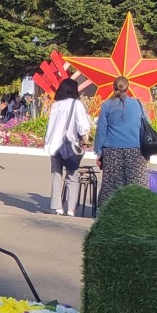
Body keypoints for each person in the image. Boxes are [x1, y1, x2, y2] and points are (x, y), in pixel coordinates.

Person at [93, 78, 148, 207]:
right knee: (136, 184)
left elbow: (101, 130)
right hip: (135, 149)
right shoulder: (138, 104)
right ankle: (136, 211)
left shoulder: (107, 105)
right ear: (128, 88)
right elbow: (146, 125)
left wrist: (99, 152)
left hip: (112, 150)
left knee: (111, 186)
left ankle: (109, 211)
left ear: (113, 87)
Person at [41, 81, 92, 215]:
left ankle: (57, 206)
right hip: (69, 145)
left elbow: (50, 126)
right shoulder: (76, 104)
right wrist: (84, 139)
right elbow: (82, 126)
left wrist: (47, 142)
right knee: (72, 176)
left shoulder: (56, 105)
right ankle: (70, 208)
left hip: (54, 145)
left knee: (56, 176)